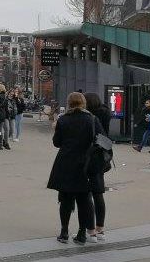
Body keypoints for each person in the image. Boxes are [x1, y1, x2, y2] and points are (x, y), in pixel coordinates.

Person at [47, 92, 102, 244]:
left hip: (66, 163)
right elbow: (102, 140)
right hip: (85, 164)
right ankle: (82, 233)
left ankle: (64, 232)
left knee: (65, 199)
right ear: (83, 103)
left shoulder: (63, 120)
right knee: (83, 200)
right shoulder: (92, 119)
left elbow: (57, 143)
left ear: (69, 103)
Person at [84, 93, 110, 241]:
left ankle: (91, 231)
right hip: (101, 156)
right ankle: (100, 229)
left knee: (86, 194)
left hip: (89, 156)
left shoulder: (91, 118)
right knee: (98, 193)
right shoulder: (105, 113)